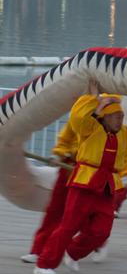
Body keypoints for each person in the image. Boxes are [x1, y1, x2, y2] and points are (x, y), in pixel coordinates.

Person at [34, 89, 127, 274]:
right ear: (105, 117)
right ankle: (44, 264)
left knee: (102, 231)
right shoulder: (90, 128)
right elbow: (77, 117)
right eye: (116, 116)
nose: (120, 120)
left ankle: (73, 252)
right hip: (84, 184)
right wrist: (92, 97)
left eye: (121, 116)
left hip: (107, 187)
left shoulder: (125, 134)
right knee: (68, 226)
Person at [22, 94, 91, 264]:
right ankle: (38, 249)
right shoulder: (78, 117)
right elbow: (65, 140)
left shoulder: (106, 123)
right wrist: (58, 155)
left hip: (89, 176)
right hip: (68, 170)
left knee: (83, 216)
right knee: (54, 211)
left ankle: (85, 246)